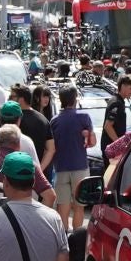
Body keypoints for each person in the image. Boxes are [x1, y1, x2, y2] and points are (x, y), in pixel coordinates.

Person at [47, 87, 95, 230]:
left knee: (63, 207)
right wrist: (87, 134)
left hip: (60, 168)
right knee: (79, 207)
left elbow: (51, 146)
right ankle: (77, 238)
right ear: (75, 98)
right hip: (80, 167)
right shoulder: (84, 117)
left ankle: (64, 239)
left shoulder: (54, 121)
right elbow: (92, 142)